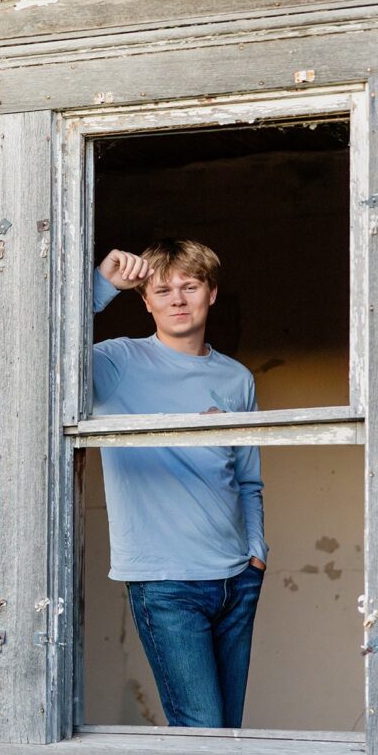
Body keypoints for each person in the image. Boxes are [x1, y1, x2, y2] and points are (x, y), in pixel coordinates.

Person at [93, 239, 268, 728]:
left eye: (190, 286)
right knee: (201, 731)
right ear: (144, 300)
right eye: (162, 289)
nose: (177, 299)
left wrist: (256, 552)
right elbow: (39, 354)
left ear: (210, 293)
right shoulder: (116, 363)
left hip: (237, 579)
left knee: (227, 733)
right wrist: (100, 287)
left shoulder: (236, 378)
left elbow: (248, 478)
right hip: (166, 583)